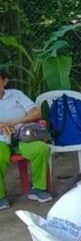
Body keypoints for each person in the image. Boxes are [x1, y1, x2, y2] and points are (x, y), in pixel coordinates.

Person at [0, 69, 52, 209]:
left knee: (40, 148)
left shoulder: (16, 94)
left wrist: (15, 122)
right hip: (1, 139)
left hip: (23, 135)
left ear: (4, 81)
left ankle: (39, 188)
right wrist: (2, 125)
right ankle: (0, 197)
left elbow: (36, 112)